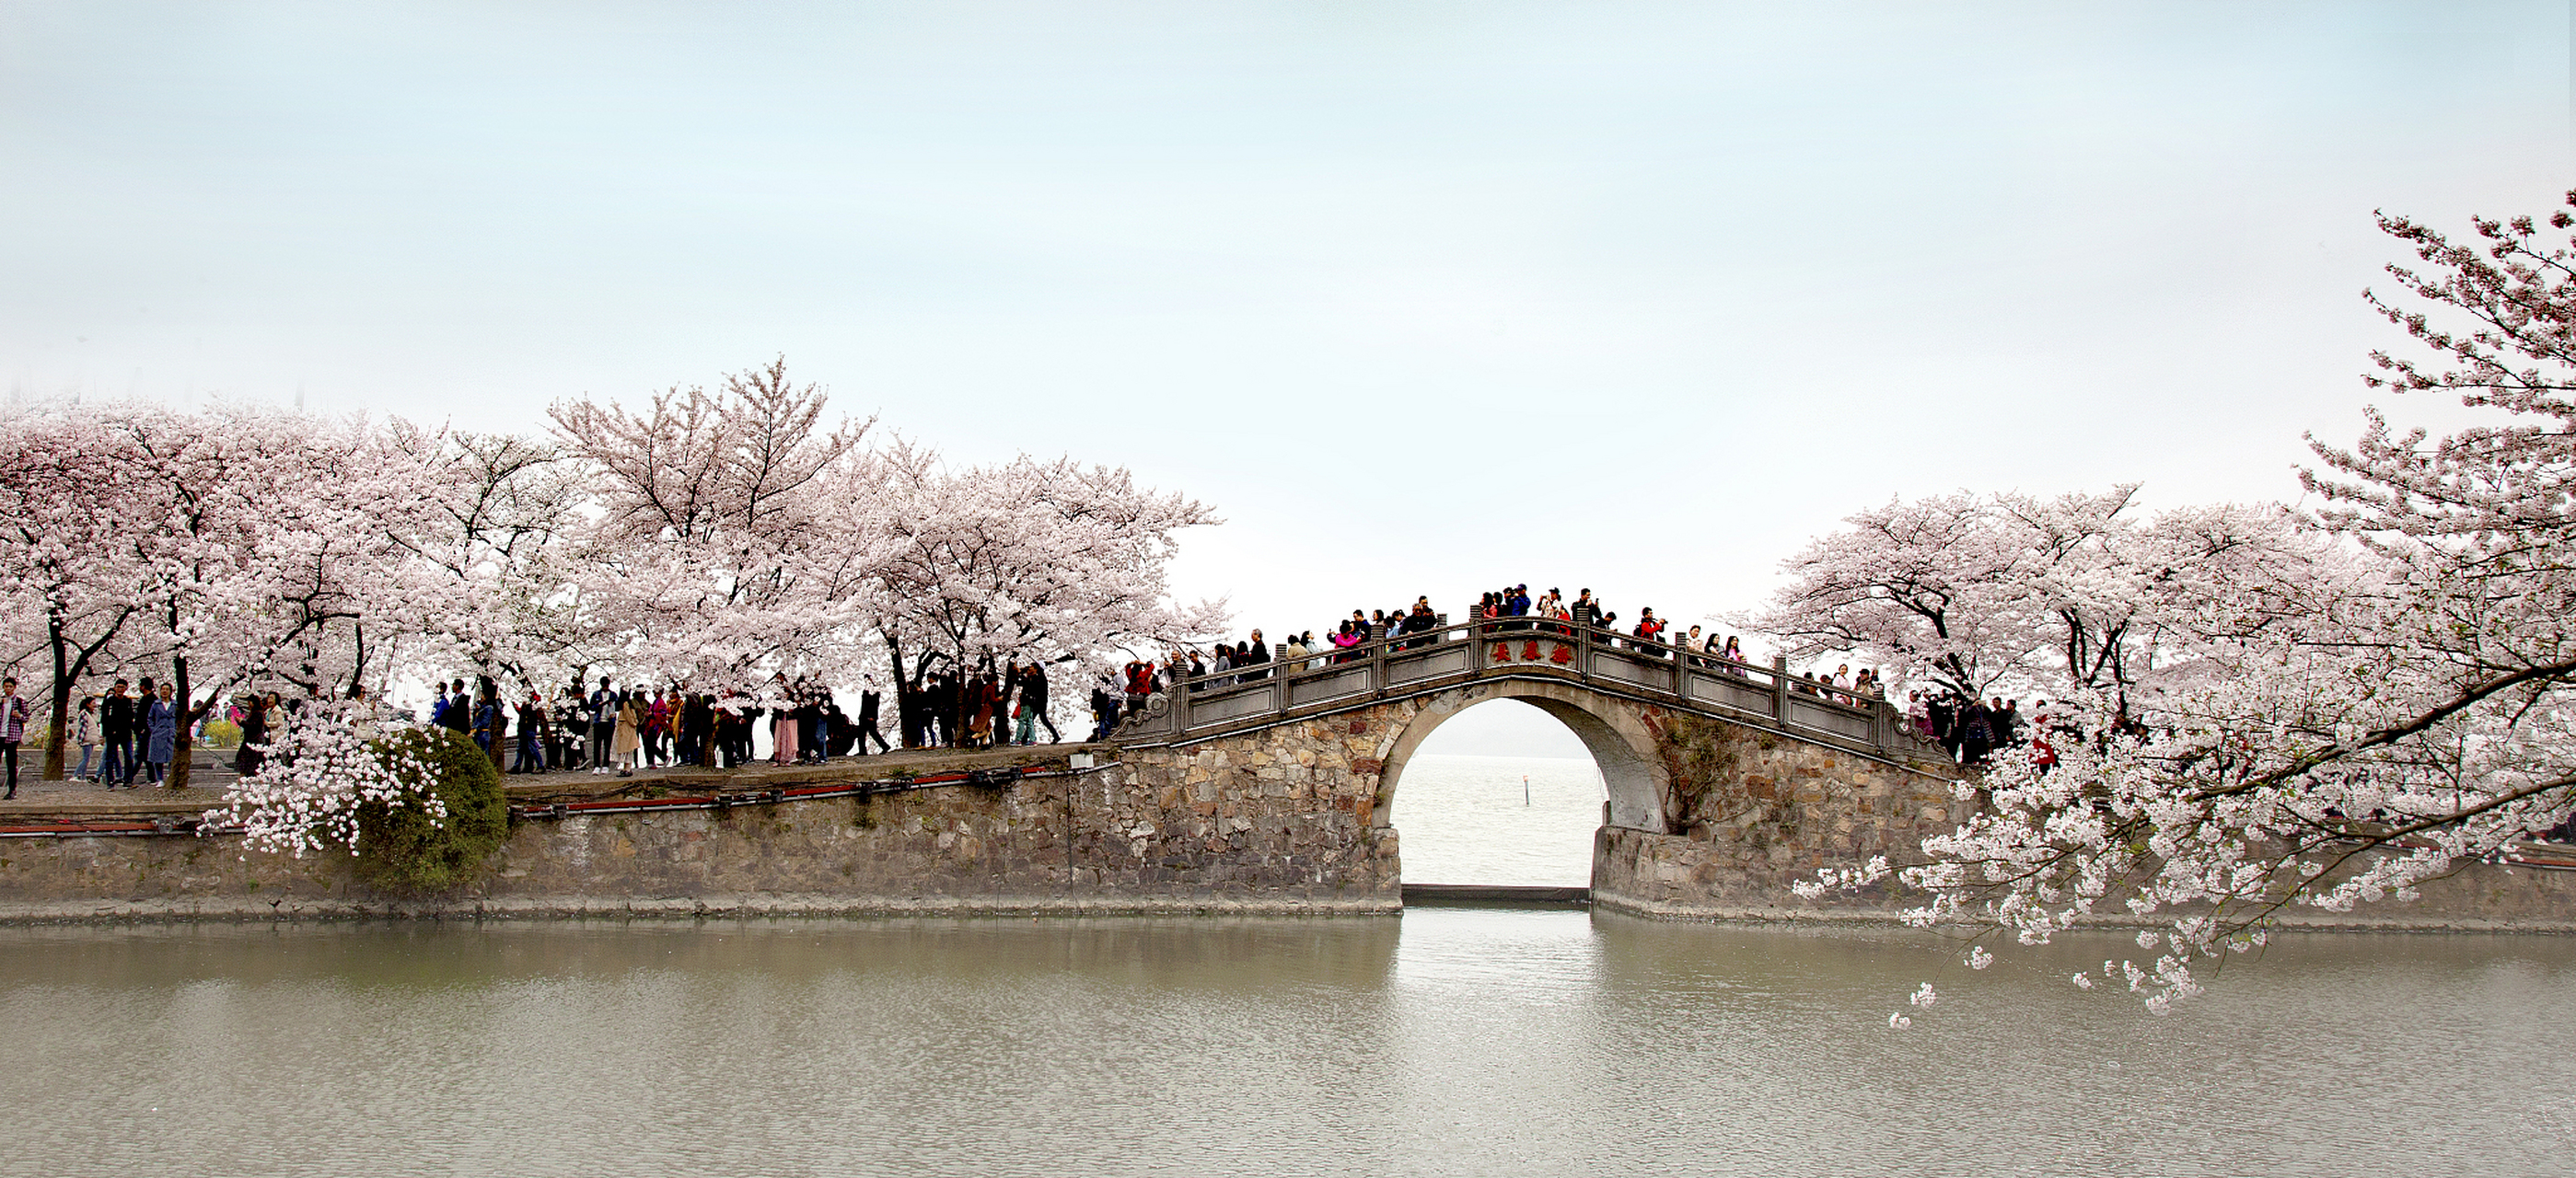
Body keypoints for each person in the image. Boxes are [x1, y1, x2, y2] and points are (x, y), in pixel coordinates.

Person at [143, 681, 177, 786]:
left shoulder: (175, 704)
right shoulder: (156, 704)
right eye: (163, 689)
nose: (165, 691)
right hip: (159, 733)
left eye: (167, 689)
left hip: (171, 732)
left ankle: (172, 777)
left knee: (172, 756)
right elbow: (150, 718)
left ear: (171, 691)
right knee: (158, 757)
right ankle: (160, 779)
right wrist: (154, 729)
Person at [0, 677, 28, 800]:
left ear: (14, 687)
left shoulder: (19, 702)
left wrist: (19, 716)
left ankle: (12, 790)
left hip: (12, 735)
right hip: (0, 734)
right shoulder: (1, 701)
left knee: (11, 764)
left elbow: (26, 717)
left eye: (10, 686)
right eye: (6, 686)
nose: (8, 689)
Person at [1018, 663, 1058, 745]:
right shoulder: (1039, 677)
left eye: (1032, 667)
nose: (1030, 668)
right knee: (1037, 719)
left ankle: (1024, 738)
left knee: (1032, 719)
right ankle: (1055, 736)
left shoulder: (1039, 678)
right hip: (1040, 702)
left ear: (1036, 669)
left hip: (1039, 703)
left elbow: (1031, 685)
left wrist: (1024, 675)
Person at [232, 693, 267, 777]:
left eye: (249, 702)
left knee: (250, 764)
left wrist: (242, 722)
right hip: (252, 740)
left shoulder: (257, 713)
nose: (249, 704)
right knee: (250, 765)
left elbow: (252, 726)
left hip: (253, 741)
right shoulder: (256, 713)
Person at [72, 695, 102, 782]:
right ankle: (75, 775)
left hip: (90, 740)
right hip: (87, 740)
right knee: (85, 759)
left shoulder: (90, 715)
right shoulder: (84, 714)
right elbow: (83, 728)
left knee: (87, 759)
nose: (95, 705)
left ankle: (83, 777)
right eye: (93, 703)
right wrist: (81, 740)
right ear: (88, 704)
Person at [855, 678, 889, 755]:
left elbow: (874, 706)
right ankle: (883, 746)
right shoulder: (870, 696)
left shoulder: (874, 697)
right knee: (866, 734)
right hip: (866, 717)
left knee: (867, 734)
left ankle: (884, 746)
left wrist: (872, 717)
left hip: (868, 717)